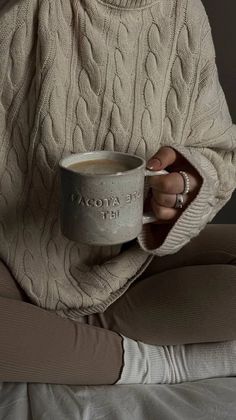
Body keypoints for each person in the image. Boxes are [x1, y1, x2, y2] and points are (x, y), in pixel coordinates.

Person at [0, 0, 236, 386]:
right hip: (12, 262)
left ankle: (54, 336)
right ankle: (151, 363)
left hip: (135, 264)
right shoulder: (24, 11)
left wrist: (184, 186)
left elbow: (220, 153)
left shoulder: (183, 13)